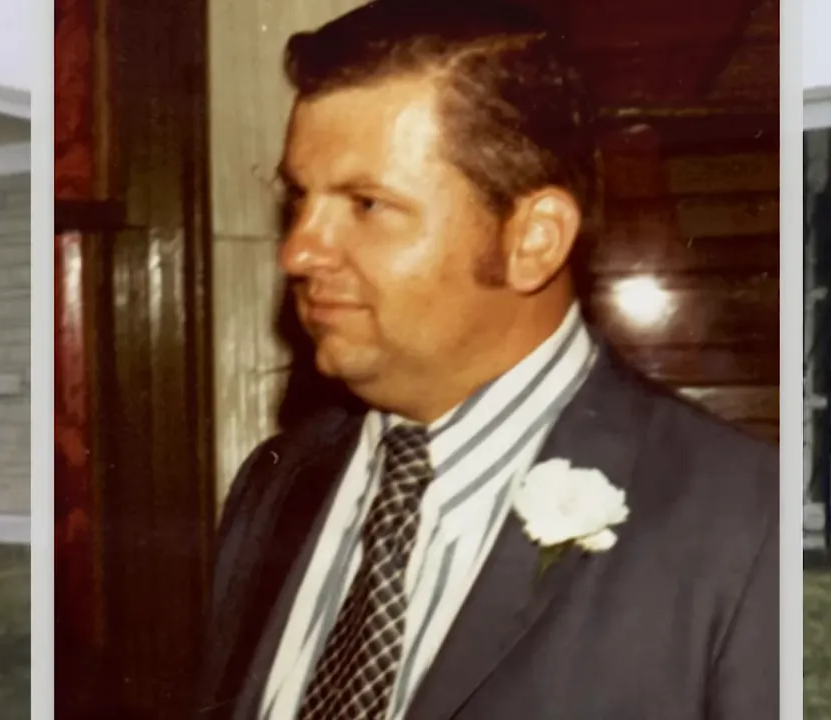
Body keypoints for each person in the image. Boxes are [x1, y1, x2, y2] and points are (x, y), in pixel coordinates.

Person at [198, 2, 778, 718]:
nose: (298, 251)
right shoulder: (278, 486)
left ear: (533, 240)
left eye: (367, 204)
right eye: (299, 200)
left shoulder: (746, 527)